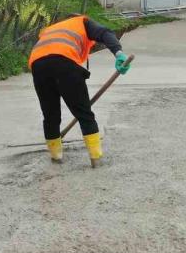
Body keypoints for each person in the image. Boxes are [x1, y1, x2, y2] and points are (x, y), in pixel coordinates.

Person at [28, 13, 131, 167]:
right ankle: (96, 159)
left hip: (38, 65)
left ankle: (56, 157)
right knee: (84, 113)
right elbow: (105, 33)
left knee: (50, 115)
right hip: (64, 62)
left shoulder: (50, 29)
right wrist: (119, 53)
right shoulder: (82, 21)